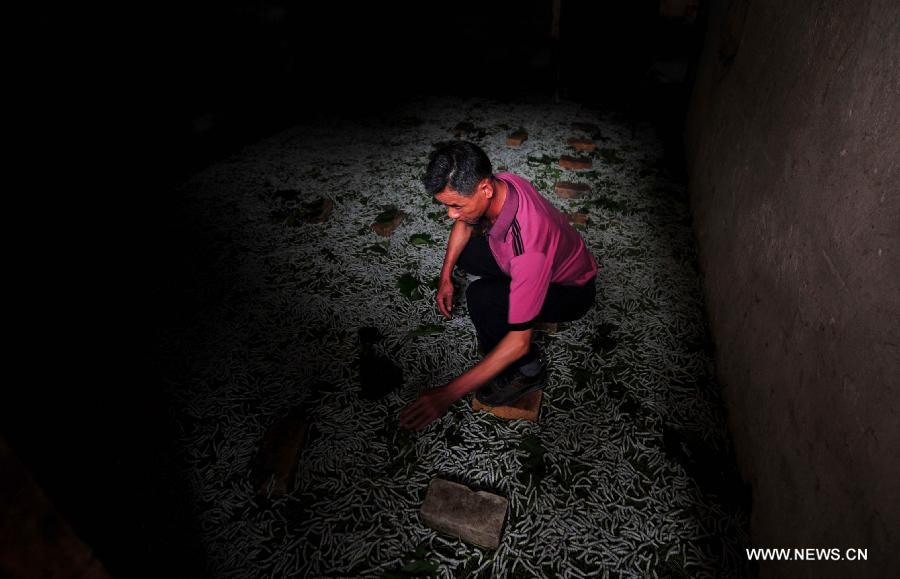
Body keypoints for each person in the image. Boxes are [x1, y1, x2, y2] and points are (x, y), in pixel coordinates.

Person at [399, 141, 597, 430]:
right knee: (466, 253)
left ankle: (529, 372)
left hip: (570, 290)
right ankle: (512, 297)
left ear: (485, 190)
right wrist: (445, 277)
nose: (450, 214)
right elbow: (467, 221)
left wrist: (445, 396)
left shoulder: (528, 250)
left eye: (455, 205)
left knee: (481, 298)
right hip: (534, 259)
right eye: (447, 206)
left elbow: (519, 342)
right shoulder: (502, 182)